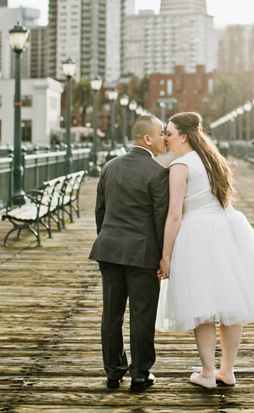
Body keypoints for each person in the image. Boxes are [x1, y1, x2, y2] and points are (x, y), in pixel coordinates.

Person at [157, 112, 254, 389]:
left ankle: (207, 373)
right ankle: (227, 371)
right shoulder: (211, 159)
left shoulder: (180, 166)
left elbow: (174, 216)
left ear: (183, 135)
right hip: (227, 228)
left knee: (202, 304)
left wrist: (165, 256)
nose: (165, 138)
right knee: (231, 302)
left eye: (168, 132)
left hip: (198, 233)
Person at [88, 115, 170, 393]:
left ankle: (113, 373)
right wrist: (163, 256)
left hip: (108, 250)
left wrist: (108, 238)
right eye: (161, 133)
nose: (165, 138)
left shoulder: (110, 166)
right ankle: (139, 374)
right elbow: (161, 221)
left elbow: (100, 211)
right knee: (141, 314)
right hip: (142, 254)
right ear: (148, 139)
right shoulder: (159, 172)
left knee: (111, 314)